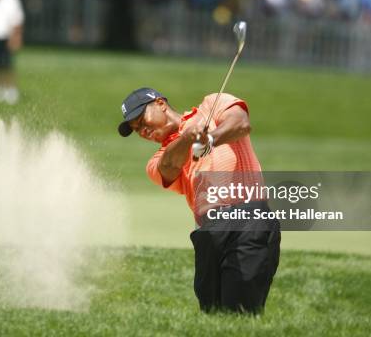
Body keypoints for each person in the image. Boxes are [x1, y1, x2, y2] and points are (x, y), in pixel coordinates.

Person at [118, 87, 280, 314]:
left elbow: (241, 124)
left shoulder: (212, 104)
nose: (141, 130)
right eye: (135, 130)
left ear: (160, 104)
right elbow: (169, 166)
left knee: (241, 312)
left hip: (248, 219)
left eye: (141, 119)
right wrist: (187, 138)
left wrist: (210, 138)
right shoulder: (158, 160)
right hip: (208, 233)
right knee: (212, 315)